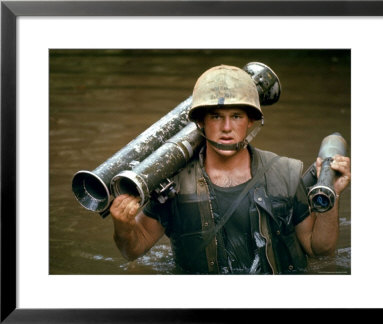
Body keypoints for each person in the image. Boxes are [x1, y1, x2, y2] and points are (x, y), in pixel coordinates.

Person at [110, 64, 351, 274]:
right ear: (201, 123)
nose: (227, 127)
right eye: (216, 116)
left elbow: (319, 251)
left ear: (251, 121)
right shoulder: (173, 185)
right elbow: (134, 249)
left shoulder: (284, 174)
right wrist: (123, 224)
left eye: (236, 116)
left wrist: (333, 196)